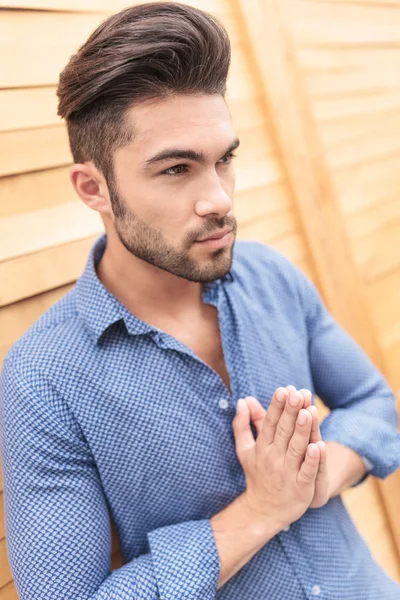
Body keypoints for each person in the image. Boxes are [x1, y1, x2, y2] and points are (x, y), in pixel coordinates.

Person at [1, 2, 400, 598]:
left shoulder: (271, 275)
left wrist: (318, 476)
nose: (218, 198)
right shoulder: (43, 379)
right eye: (176, 169)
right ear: (94, 188)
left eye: (224, 160)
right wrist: (261, 509)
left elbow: (376, 406)